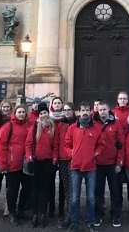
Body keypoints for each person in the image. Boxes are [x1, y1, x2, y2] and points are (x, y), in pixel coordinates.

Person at [64, 101, 104, 232]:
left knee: (91, 198)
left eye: (87, 110)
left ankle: (90, 221)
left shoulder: (96, 128)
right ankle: (74, 222)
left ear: (91, 111)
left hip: (91, 167)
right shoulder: (72, 128)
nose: (85, 112)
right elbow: (67, 144)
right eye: (83, 110)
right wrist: (72, 154)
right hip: (75, 167)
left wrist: (95, 154)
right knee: (75, 198)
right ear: (79, 112)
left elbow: (101, 145)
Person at [0, 104, 31, 225]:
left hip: (25, 164)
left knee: (27, 188)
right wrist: (2, 164)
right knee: (12, 190)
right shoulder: (8, 127)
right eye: (19, 112)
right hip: (12, 164)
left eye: (23, 112)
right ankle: (12, 213)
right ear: (14, 114)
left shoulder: (29, 126)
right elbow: (1, 146)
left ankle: (21, 210)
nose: (21, 114)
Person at [26, 102, 58, 228]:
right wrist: (29, 160)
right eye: (41, 113)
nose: (44, 115)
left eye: (45, 113)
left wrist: (54, 162)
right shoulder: (34, 128)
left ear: (47, 113)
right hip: (36, 162)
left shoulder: (52, 127)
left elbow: (55, 146)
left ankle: (43, 213)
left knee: (45, 190)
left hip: (47, 162)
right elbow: (28, 145)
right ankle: (35, 213)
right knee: (35, 190)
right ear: (39, 115)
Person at [93, 100, 125, 228]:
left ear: (108, 109)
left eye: (104, 109)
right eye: (100, 110)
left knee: (115, 191)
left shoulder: (116, 124)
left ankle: (115, 215)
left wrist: (119, 163)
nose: (102, 112)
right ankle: (98, 215)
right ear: (97, 111)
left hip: (112, 163)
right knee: (98, 192)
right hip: (98, 164)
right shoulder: (93, 123)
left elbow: (121, 144)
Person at [112, 91, 129, 211]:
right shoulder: (113, 113)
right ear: (117, 100)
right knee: (117, 180)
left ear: (127, 100)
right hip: (117, 150)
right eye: (120, 98)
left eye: (124, 98)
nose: (122, 100)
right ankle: (118, 203)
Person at [58, 102, 78, 230]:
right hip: (63, 160)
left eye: (69, 110)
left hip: (74, 159)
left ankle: (71, 216)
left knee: (73, 190)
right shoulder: (59, 124)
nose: (66, 112)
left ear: (73, 111)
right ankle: (69, 213)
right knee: (67, 189)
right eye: (64, 110)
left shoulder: (78, 124)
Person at [0, 98, 14, 215]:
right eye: (4, 107)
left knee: (9, 182)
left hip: (10, 154)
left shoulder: (13, 120)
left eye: (8, 107)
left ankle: (8, 205)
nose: (6, 109)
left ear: (11, 108)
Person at [49, 96, 66, 218]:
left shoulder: (66, 119)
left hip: (63, 155)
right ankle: (51, 208)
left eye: (59, 103)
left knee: (63, 184)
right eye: (55, 103)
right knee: (50, 184)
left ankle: (61, 208)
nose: (57, 105)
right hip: (50, 155)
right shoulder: (47, 118)